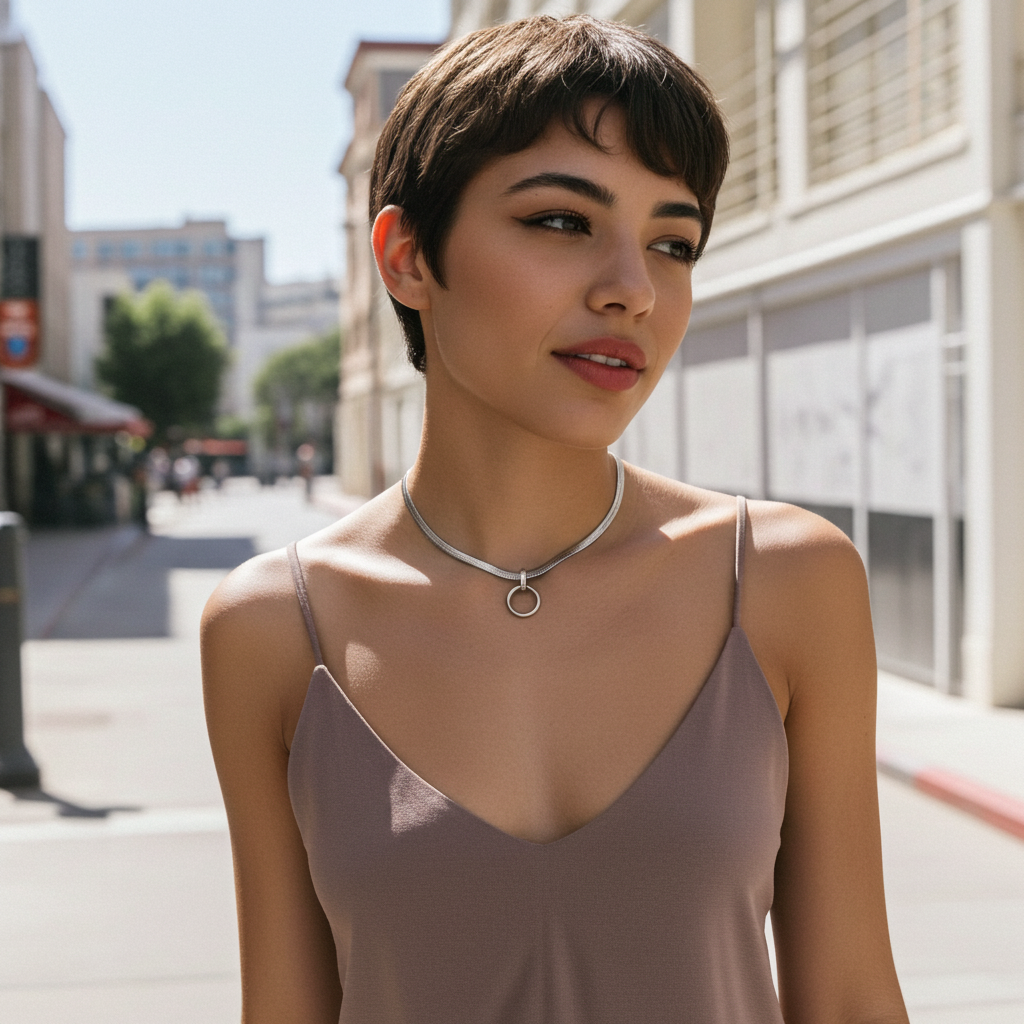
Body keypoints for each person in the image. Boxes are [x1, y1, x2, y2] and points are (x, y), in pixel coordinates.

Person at [202, 15, 909, 1024]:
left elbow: (846, 999)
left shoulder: (789, 581)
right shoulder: (272, 628)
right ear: (406, 258)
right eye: (562, 222)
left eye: (673, 242)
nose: (633, 290)